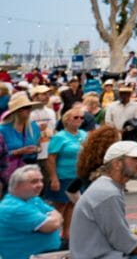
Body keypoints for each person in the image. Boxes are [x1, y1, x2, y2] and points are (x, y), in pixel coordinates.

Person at [0, 164, 62, 259]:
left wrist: (54, 218)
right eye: (34, 182)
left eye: (41, 180)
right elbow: (52, 225)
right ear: (17, 185)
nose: (40, 185)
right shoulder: (13, 207)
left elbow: (56, 217)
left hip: (45, 253)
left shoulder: (32, 198)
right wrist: (53, 218)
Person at [44, 106, 87, 242]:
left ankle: (67, 234)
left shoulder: (84, 134)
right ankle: (52, 236)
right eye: (76, 117)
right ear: (67, 120)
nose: (79, 119)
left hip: (78, 177)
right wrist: (53, 178)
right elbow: (51, 159)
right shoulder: (59, 137)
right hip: (63, 177)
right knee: (60, 207)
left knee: (73, 205)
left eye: (81, 117)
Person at [1, 91, 43, 188]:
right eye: (25, 108)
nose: (29, 110)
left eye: (29, 107)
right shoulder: (3, 129)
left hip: (31, 172)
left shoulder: (33, 127)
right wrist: (18, 151)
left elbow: (39, 146)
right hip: (9, 175)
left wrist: (36, 149)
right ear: (17, 111)